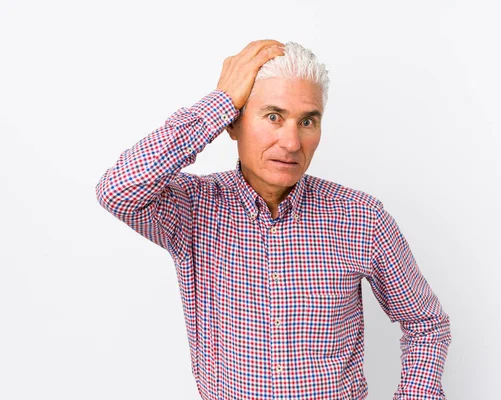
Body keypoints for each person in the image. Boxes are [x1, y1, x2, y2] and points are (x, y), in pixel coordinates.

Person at [96, 39, 451, 400]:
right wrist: (218, 103)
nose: (292, 142)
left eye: (308, 121)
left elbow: (426, 324)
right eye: (273, 117)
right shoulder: (192, 209)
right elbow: (117, 189)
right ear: (232, 124)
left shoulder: (361, 218)